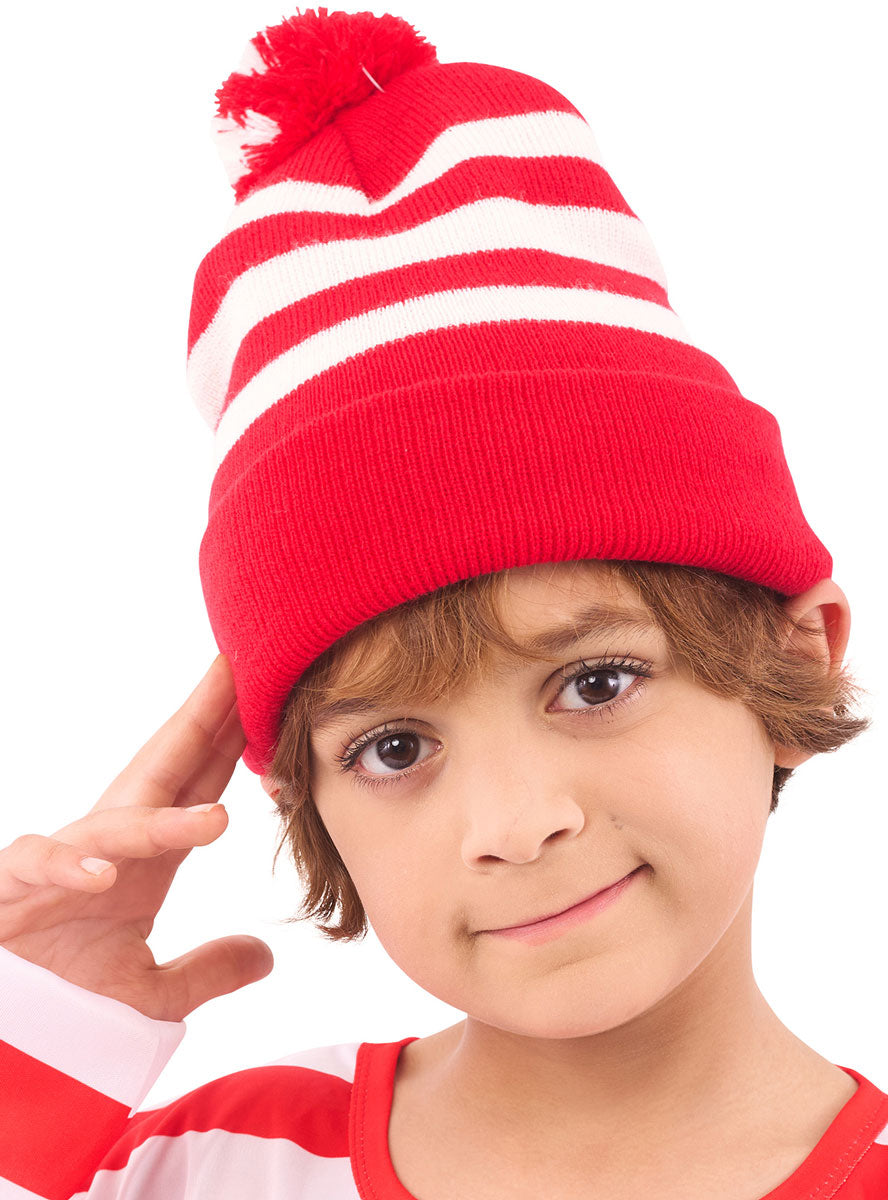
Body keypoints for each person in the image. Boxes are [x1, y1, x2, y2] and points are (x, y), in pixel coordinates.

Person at [1, 8, 885, 1199]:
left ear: (799, 657)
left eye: (596, 682)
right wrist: (27, 1055)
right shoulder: (204, 1167)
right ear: (301, 800)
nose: (515, 825)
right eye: (394, 746)